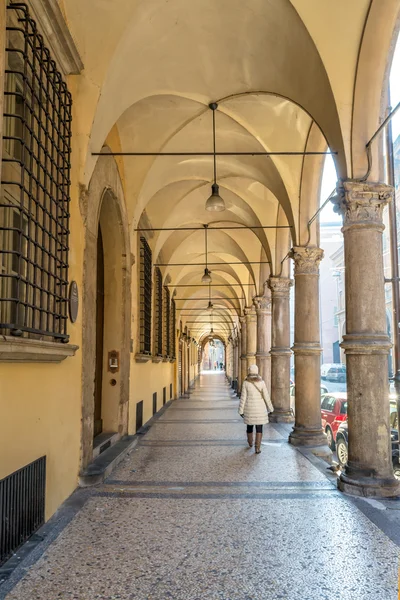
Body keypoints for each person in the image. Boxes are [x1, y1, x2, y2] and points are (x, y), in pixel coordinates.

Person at [238, 364, 274, 454]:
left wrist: (241, 410)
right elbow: (266, 396)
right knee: (259, 428)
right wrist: (271, 408)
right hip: (260, 409)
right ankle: (257, 448)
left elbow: (243, 397)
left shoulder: (246, 382)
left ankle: (250, 442)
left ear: (249, 371)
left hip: (249, 409)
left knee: (249, 426)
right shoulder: (261, 382)